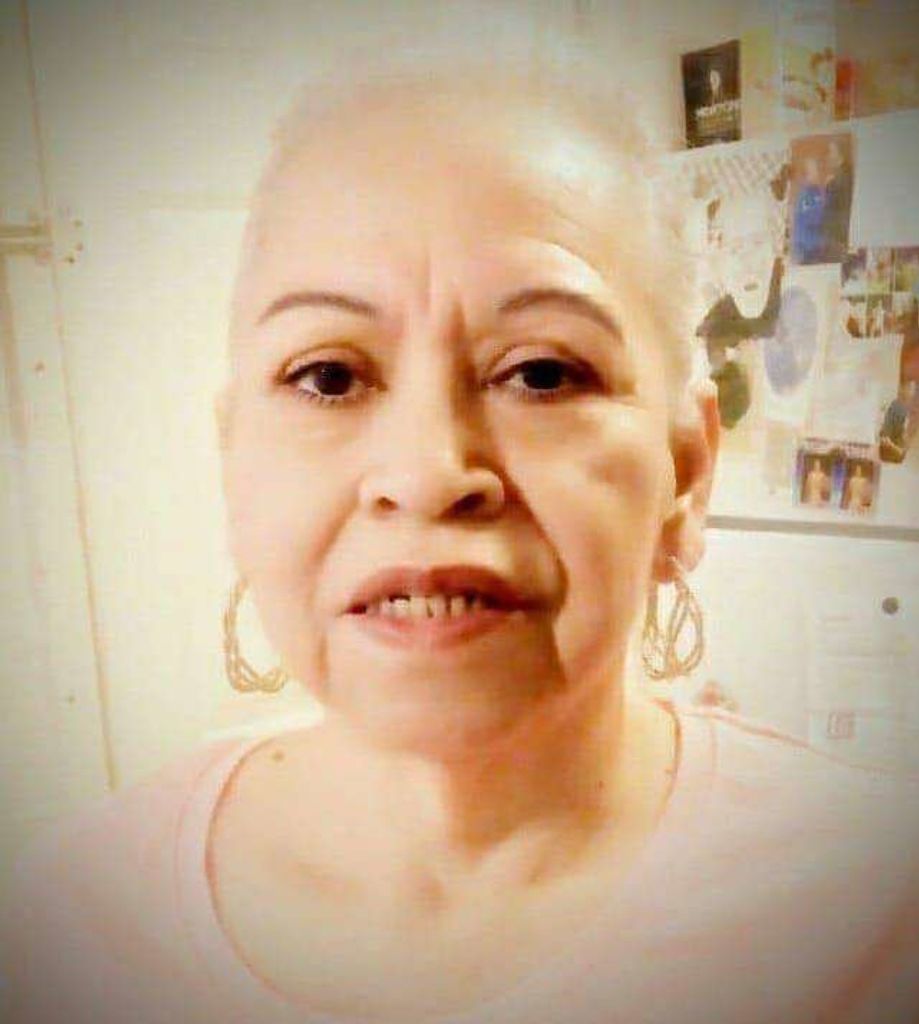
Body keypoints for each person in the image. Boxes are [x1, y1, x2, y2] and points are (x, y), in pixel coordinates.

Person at [6, 61, 919, 1024]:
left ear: (683, 473)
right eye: (327, 377)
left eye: (541, 373)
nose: (429, 471)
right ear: (234, 468)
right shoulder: (65, 929)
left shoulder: (877, 905)